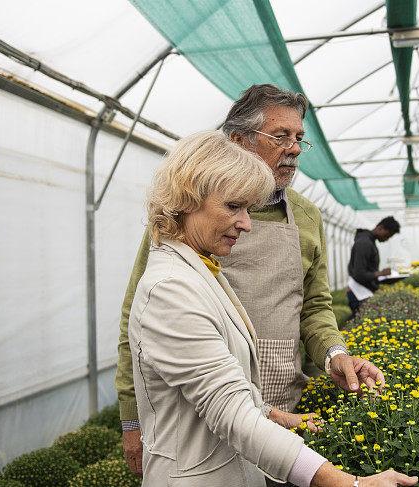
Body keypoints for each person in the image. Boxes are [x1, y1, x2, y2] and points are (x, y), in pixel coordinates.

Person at [117, 84, 387, 477]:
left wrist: (334, 354)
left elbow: (313, 306)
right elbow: (135, 323)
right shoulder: (182, 230)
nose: (294, 148)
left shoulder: (307, 216)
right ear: (238, 140)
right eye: (280, 136)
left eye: (299, 138)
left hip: (281, 413)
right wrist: (131, 422)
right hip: (201, 425)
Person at [346, 217, 401, 320]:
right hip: (358, 293)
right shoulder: (364, 243)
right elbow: (359, 273)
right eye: (386, 236)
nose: (386, 239)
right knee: (362, 324)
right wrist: (380, 274)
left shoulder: (368, 241)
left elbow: (366, 269)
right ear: (380, 228)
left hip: (362, 291)